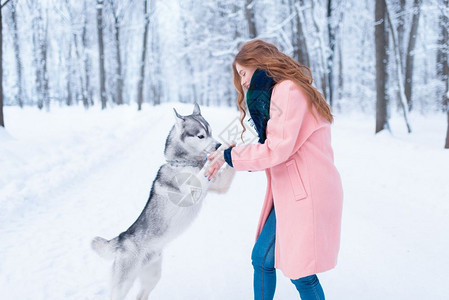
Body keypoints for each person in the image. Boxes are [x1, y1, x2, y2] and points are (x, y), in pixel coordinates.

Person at [204, 39, 343, 300]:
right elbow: (277, 141)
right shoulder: (286, 90)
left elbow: (276, 150)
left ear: (259, 63)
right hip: (296, 191)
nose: (243, 82)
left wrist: (229, 156)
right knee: (264, 259)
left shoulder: (288, 90)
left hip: (305, 191)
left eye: (243, 73)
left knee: (299, 271)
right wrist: (231, 152)